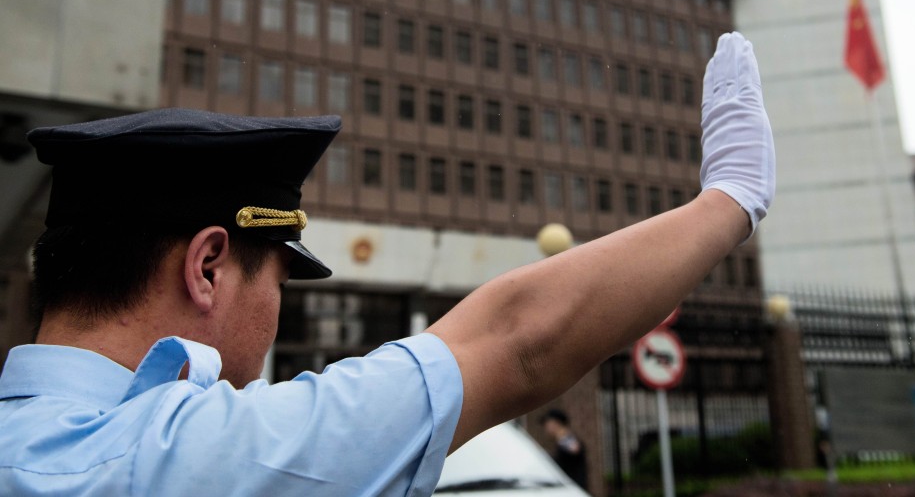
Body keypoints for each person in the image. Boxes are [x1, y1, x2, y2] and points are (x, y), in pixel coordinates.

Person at [0, 31, 774, 495]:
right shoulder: (187, 456)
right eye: (276, 280)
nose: (276, 318)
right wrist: (726, 203)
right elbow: (515, 341)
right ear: (207, 267)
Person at [541, 408, 589, 490]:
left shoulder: (567, 440)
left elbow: (575, 449)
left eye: (547, 424)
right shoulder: (563, 442)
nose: (545, 428)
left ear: (556, 423)